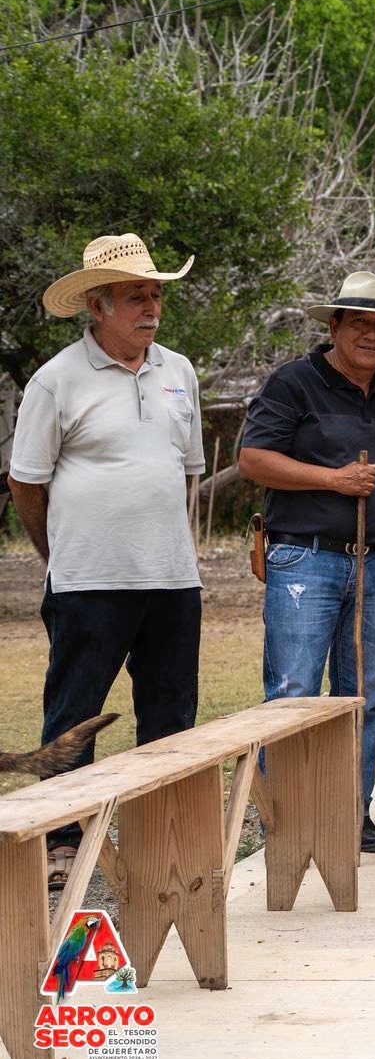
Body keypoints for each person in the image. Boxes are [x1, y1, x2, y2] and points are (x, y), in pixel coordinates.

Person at [10, 234, 203, 892]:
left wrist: (168, 544)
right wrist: (60, 554)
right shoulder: (56, 379)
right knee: (74, 715)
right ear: (97, 306)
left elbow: (186, 472)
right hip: (88, 581)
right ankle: (64, 842)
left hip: (172, 579)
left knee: (171, 717)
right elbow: (26, 483)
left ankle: (166, 836)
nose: (152, 307)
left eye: (155, 295)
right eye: (135, 296)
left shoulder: (179, 371)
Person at [239, 271, 375, 855]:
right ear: (336, 326)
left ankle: (352, 813)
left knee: (363, 694)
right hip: (305, 558)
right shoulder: (293, 382)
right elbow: (253, 459)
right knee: (294, 691)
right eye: (360, 323)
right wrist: (333, 480)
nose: (372, 335)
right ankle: (287, 823)